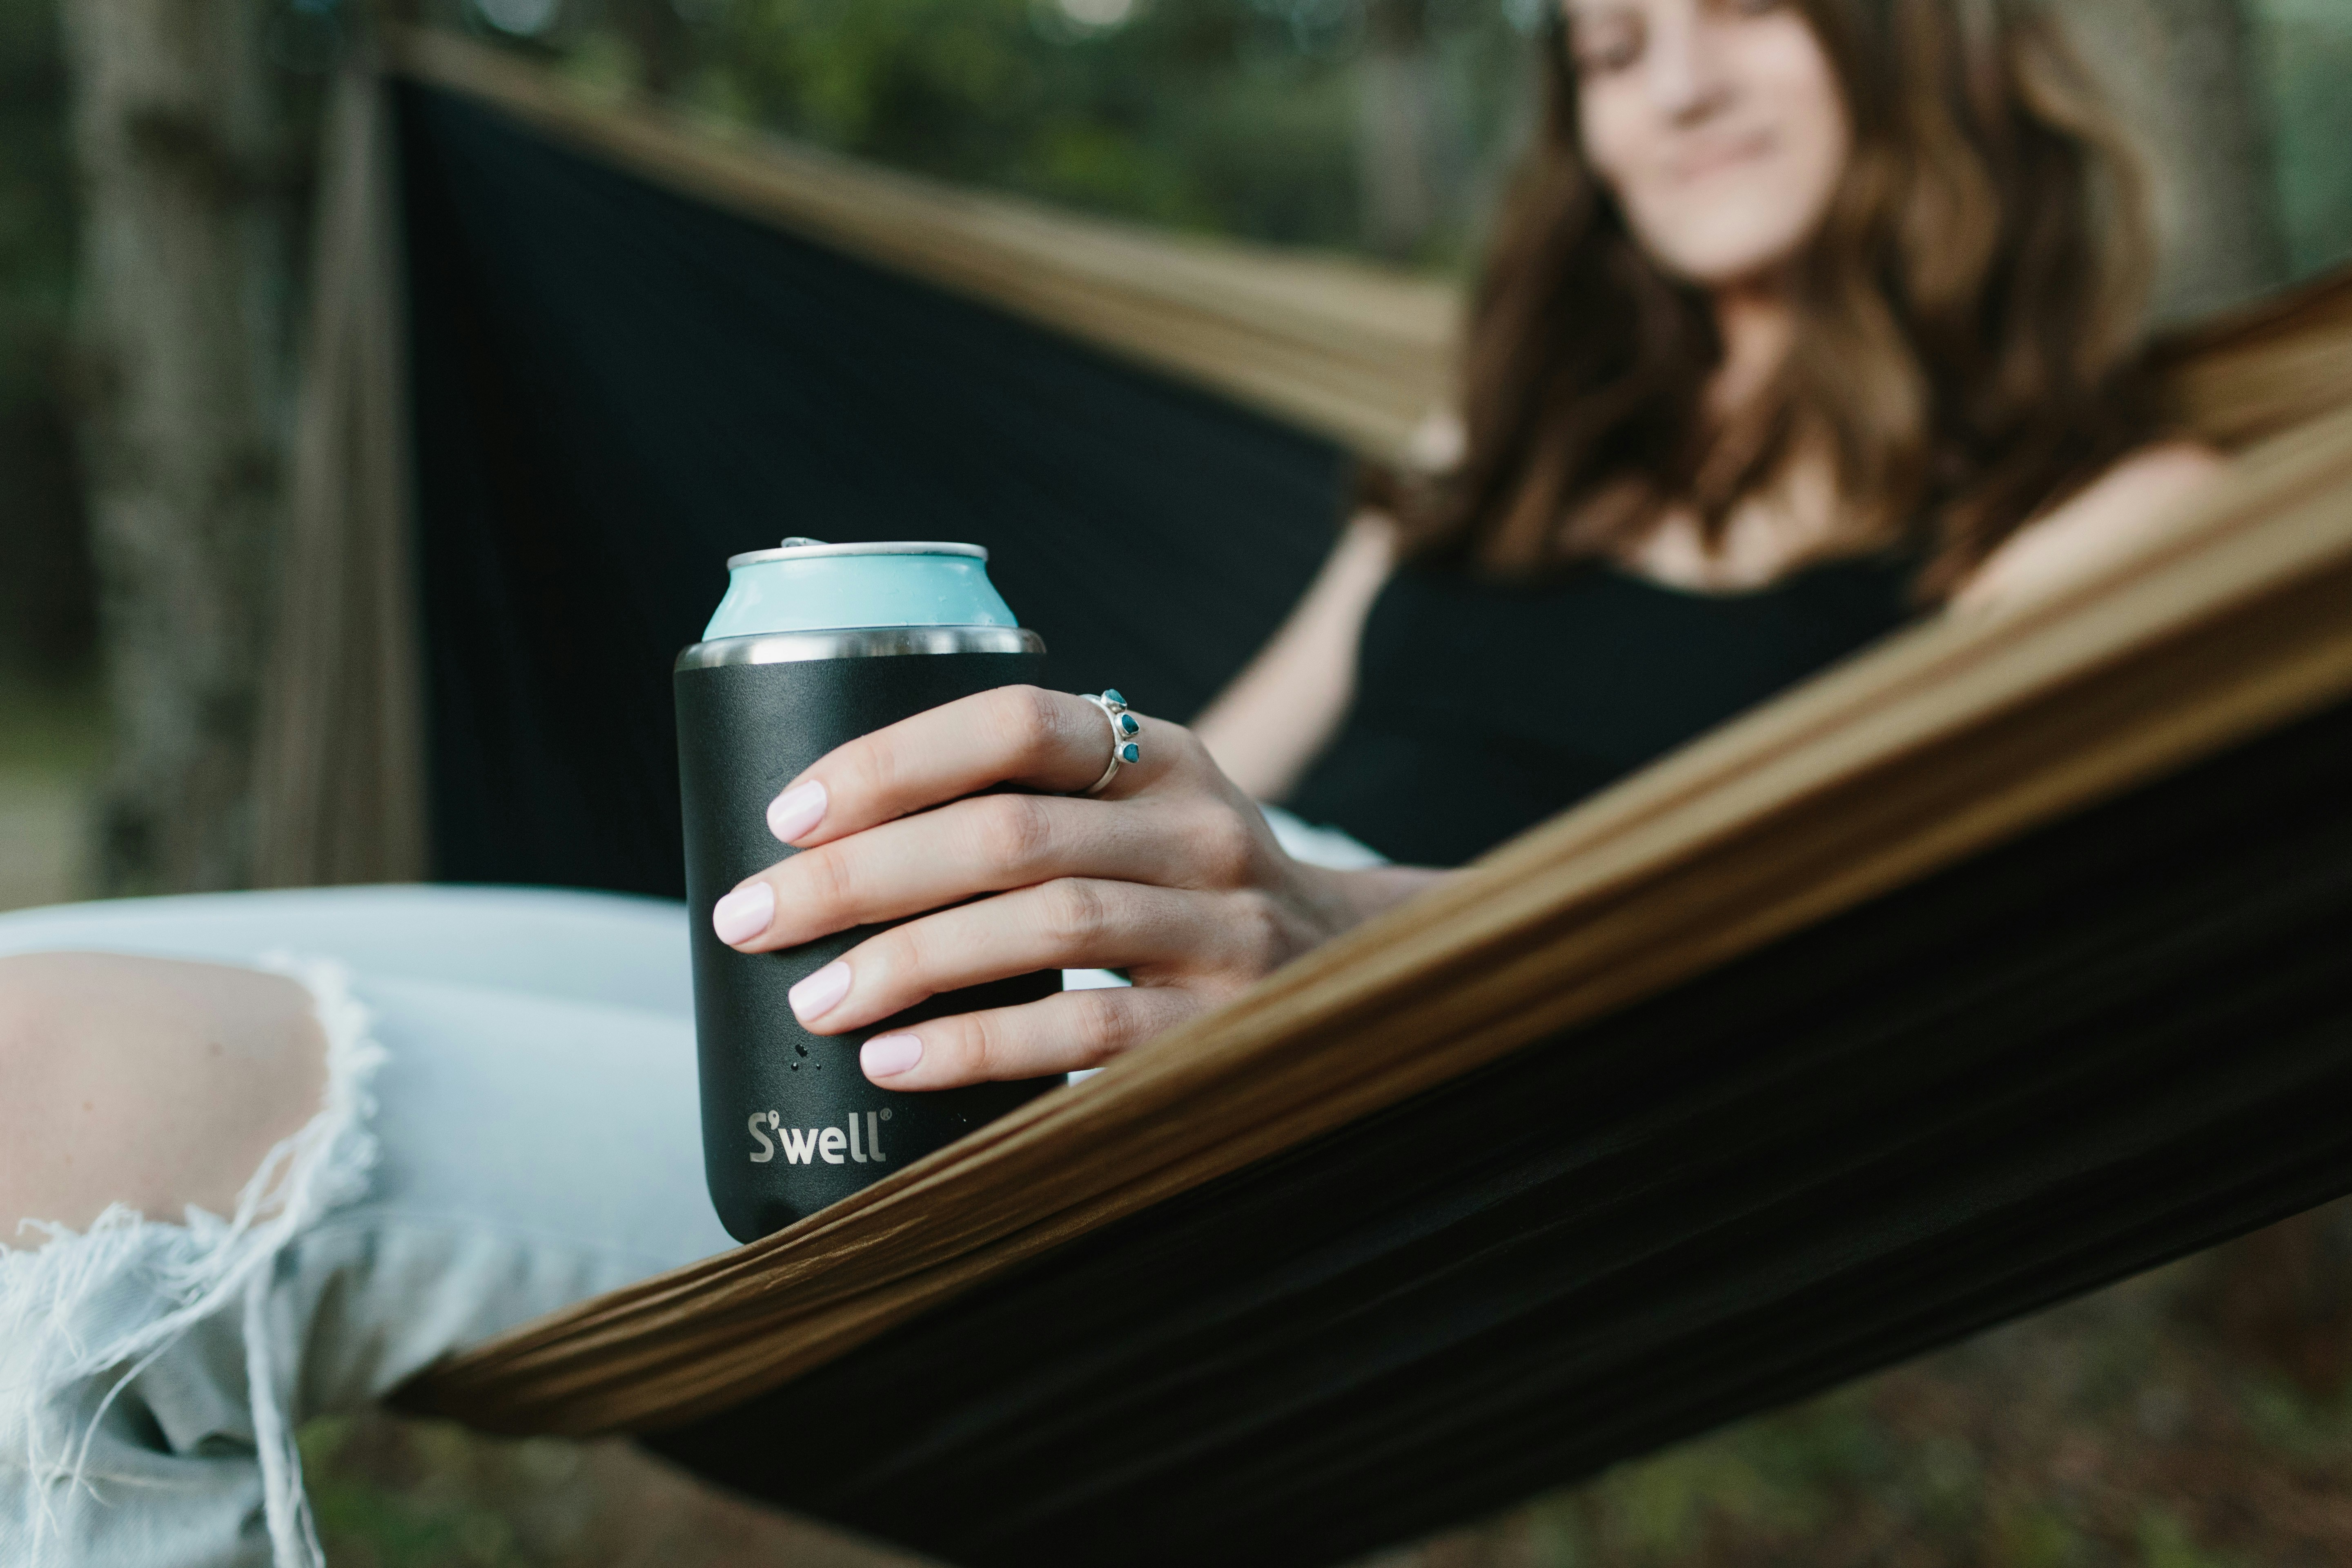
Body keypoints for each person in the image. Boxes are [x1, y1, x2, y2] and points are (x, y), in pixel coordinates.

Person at [0, 1, 2221, 1563]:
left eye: (1741, 11)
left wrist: (1349, 942)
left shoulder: (2102, 524)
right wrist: (1089, 823)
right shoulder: (1506, 453)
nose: (1676, 83)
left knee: (84, 1101)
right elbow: (1234, 767)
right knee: (35, 980)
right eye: (1614, 48)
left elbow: (1918, 980)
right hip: (1132, 973)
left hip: (1376, 1127)